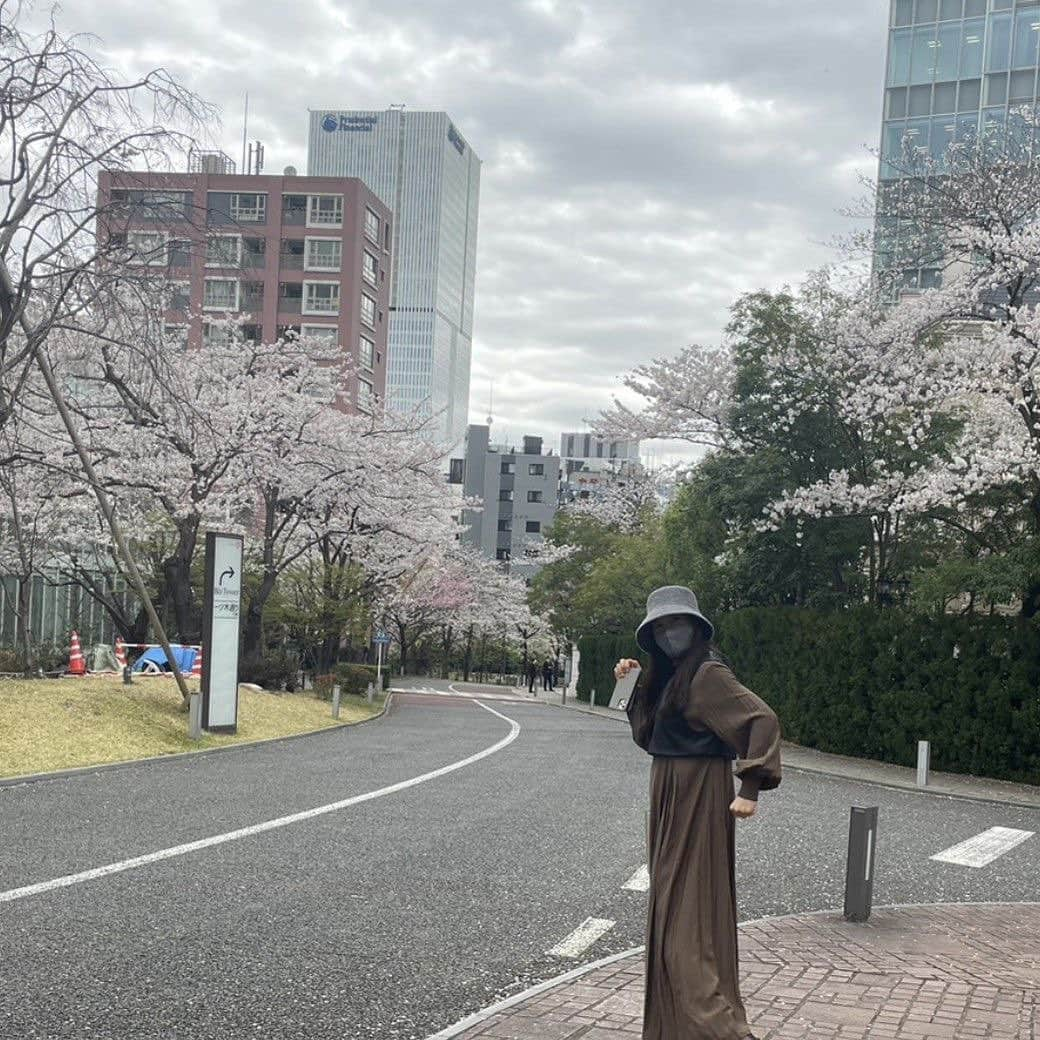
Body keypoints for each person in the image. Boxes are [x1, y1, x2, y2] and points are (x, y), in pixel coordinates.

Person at [615, 585, 781, 1040]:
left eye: (678, 623)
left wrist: (750, 786)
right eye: (661, 626)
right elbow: (650, 738)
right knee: (671, 911)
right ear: (651, 636)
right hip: (667, 788)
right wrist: (631, 686)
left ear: (696, 626)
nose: (671, 632)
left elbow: (760, 720)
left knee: (685, 927)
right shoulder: (670, 676)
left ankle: (722, 1030)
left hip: (698, 790)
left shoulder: (707, 673)